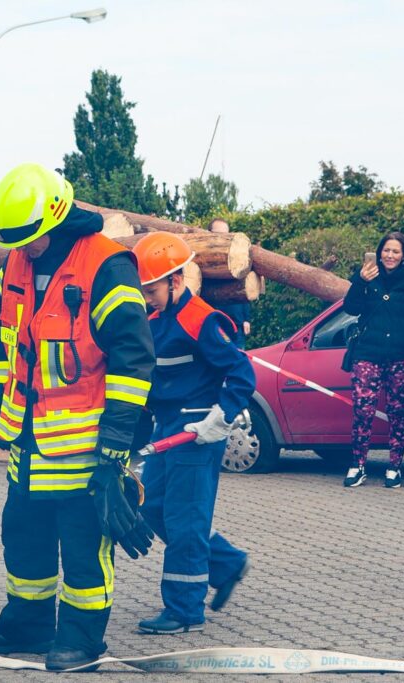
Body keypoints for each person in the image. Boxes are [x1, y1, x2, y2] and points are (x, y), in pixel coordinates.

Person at [0, 163, 156, 671]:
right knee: (24, 537)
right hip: (27, 445)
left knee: (83, 547)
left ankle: (82, 639)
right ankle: (29, 626)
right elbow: (4, 347)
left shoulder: (105, 266)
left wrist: (115, 449)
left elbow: (133, 360)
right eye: (16, 242)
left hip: (86, 448)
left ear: (56, 219)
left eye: (32, 240)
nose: (25, 250)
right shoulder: (11, 265)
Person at [131, 231, 254, 635]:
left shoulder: (201, 319)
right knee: (152, 509)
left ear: (176, 281)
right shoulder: (156, 319)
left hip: (197, 432)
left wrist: (222, 416)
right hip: (168, 428)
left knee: (184, 520)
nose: (147, 297)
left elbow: (241, 372)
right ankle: (225, 562)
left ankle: (184, 611)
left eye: (152, 289)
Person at [341, 232, 404, 488]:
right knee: (362, 410)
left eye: (395, 251)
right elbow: (351, 307)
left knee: (398, 412)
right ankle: (358, 465)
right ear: (379, 253)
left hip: (402, 355)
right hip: (368, 353)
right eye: (386, 250)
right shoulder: (368, 277)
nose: (390, 256)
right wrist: (359, 281)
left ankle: (394, 467)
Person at [207, 218, 251, 348]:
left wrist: (246, 319)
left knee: (238, 360)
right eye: (218, 233)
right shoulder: (204, 257)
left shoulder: (237, 256)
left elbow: (244, 289)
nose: (223, 238)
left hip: (237, 324)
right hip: (215, 323)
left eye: (226, 234)